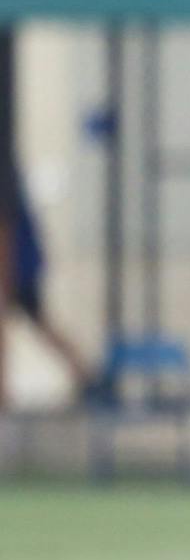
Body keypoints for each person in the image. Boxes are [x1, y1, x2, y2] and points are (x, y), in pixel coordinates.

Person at [4, 161, 94, 400]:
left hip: (18, 267)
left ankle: (84, 372)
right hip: (20, 265)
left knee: (38, 321)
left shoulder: (7, 188)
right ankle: (83, 370)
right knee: (40, 322)